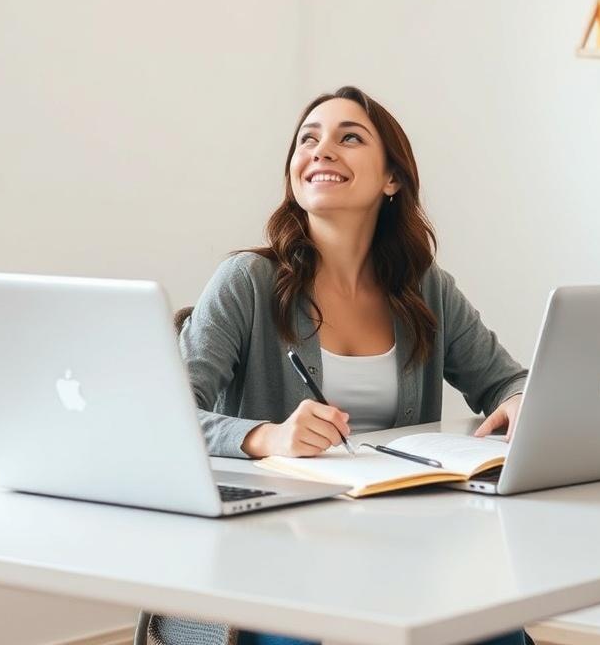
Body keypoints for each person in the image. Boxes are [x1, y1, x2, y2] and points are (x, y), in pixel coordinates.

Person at [150, 86, 532, 645]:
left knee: (493, 631)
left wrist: (518, 398)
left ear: (391, 179)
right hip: (270, 560)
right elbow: (166, 413)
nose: (322, 150)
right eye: (309, 139)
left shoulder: (425, 290)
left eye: (349, 137)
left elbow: (506, 379)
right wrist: (266, 437)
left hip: (403, 549)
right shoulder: (246, 283)